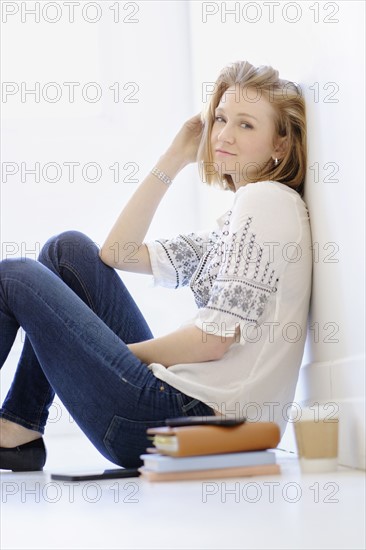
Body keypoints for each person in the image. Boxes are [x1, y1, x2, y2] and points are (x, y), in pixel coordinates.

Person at [0, 60, 312, 471]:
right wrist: (176, 156)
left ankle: (16, 426)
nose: (224, 135)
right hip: (186, 413)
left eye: (246, 125)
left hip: (187, 420)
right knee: (67, 252)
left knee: (14, 277)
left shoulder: (266, 201)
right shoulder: (234, 227)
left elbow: (213, 339)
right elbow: (116, 253)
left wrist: (113, 356)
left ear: (281, 146)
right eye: (220, 118)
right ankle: (17, 428)